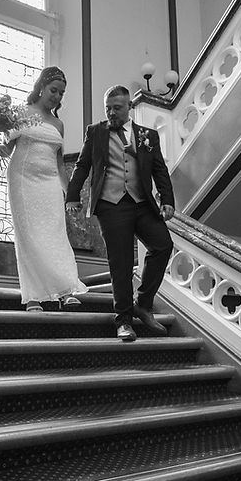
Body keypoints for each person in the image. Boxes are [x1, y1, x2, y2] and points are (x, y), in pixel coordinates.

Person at [66, 85, 175, 341]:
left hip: (142, 203)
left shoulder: (148, 135)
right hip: (111, 205)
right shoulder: (96, 133)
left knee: (162, 245)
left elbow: (159, 169)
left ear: (129, 107)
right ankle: (123, 320)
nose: (112, 113)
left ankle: (144, 303)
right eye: (108, 108)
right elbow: (82, 165)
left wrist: (167, 199)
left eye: (117, 108)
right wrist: (72, 196)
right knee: (121, 263)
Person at [3, 66, 87, 312]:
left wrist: (71, 195)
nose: (57, 97)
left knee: (55, 234)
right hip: (22, 179)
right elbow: (7, 150)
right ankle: (33, 296)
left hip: (49, 182)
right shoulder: (21, 113)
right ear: (41, 87)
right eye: (54, 90)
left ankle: (65, 290)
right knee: (29, 236)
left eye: (61, 93)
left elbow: (60, 164)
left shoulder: (58, 124)